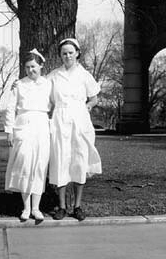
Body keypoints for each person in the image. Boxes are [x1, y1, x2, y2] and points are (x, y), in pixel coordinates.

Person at [48, 38, 102, 221]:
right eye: (64, 53)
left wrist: (86, 107)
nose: (67, 56)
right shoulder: (54, 76)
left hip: (80, 120)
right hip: (60, 119)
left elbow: (94, 97)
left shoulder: (84, 75)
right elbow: (42, 93)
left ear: (77, 53)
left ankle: (77, 206)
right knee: (61, 161)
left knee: (79, 161)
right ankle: (62, 207)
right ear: (60, 56)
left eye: (71, 52)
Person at [4, 49, 52, 221]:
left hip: (41, 124)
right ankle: (25, 207)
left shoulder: (48, 83)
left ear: (41, 66)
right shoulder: (19, 85)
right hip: (23, 125)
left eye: (33, 66)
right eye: (27, 67)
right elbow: (10, 108)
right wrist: (9, 130)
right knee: (24, 164)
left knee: (39, 165)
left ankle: (36, 208)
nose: (30, 70)